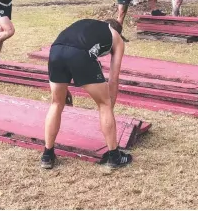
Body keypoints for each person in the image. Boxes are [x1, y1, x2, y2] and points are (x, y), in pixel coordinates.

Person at [41, 18, 132, 169]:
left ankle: (47, 155)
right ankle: (114, 156)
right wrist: (109, 108)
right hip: (80, 54)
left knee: (56, 103)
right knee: (104, 104)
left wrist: (65, 88)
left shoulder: (87, 25)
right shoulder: (116, 38)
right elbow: (114, 79)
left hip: (56, 50)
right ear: (117, 31)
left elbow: (67, 49)